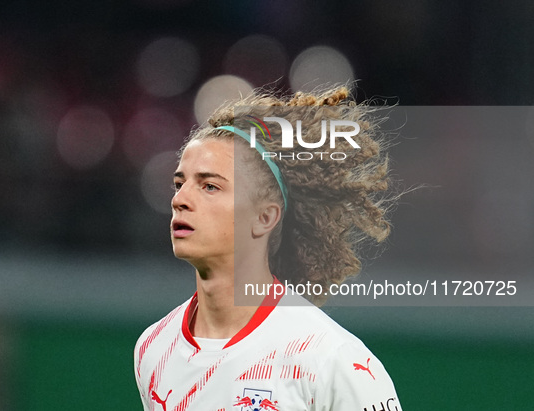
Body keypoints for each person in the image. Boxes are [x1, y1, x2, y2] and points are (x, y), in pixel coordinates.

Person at [134, 85, 403, 410]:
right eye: (179, 184)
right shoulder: (153, 348)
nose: (180, 200)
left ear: (264, 217)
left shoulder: (330, 359)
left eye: (209, 186)